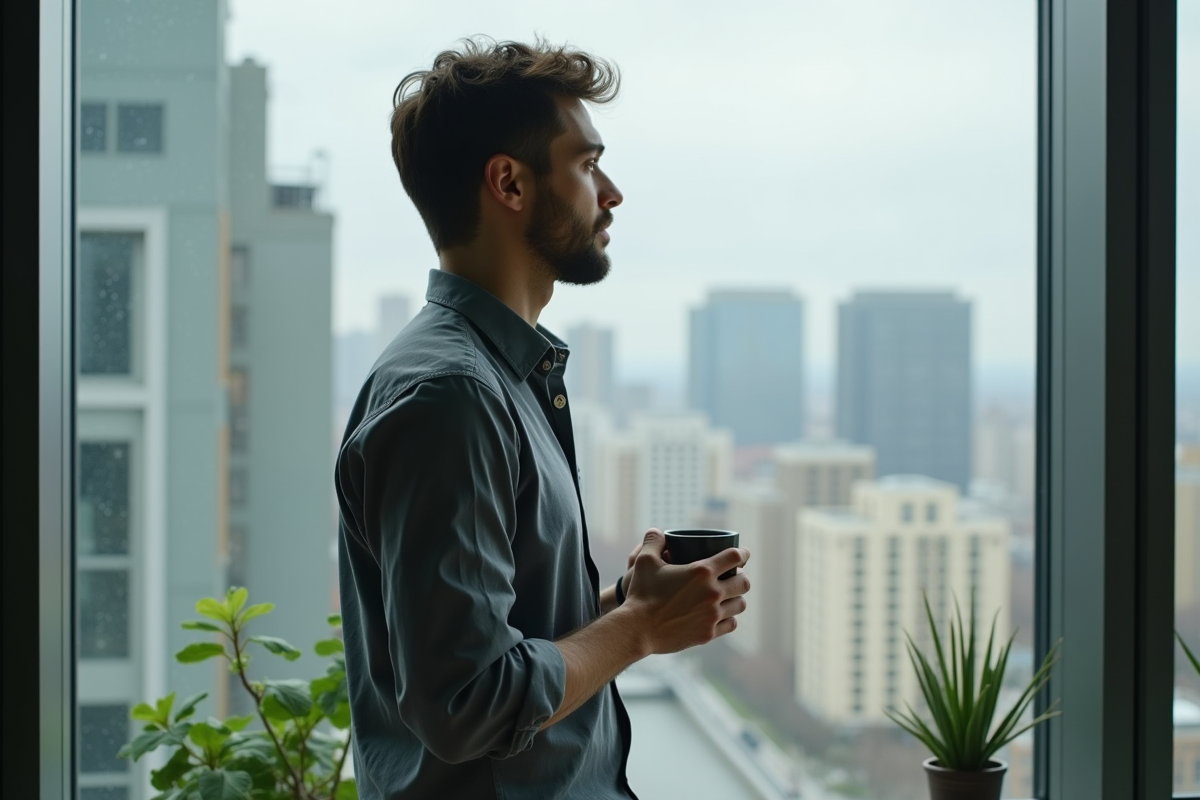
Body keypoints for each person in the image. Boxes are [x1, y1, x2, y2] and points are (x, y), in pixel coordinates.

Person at [335, 38, 752, 800]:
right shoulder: (450, 398)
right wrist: (637, 631)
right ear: (510, 184)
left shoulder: (501, 377)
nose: (613, 192)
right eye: (589, 165)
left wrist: (624, 608)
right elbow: (467, 704)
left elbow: (498, 638)